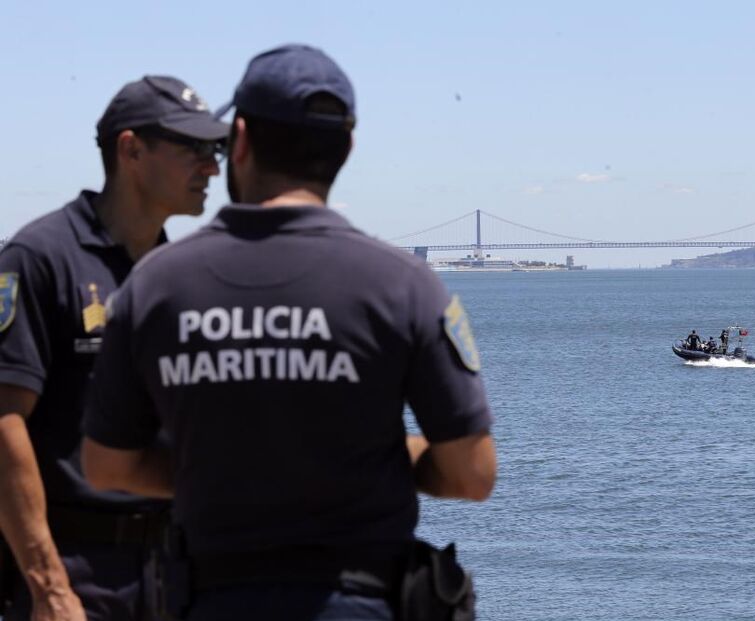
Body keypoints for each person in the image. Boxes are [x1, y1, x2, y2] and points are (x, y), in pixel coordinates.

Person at [81, 44, 497, 621]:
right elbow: (471, 473)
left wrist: (233, 470)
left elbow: (107, 467)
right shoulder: (405, 286)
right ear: (347, 148)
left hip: (211, 598)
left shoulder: (155, 284)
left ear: (240, 140)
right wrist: (356, 464)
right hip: (361, 600)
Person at [0, 76, 228, 621]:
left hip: (172, 573)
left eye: (216, 151)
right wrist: (50, 588)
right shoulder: (39, 258)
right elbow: (4, 424)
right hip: (74, 574)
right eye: (194, 149)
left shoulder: (178, 276)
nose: (212, 169)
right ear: (131, 150)